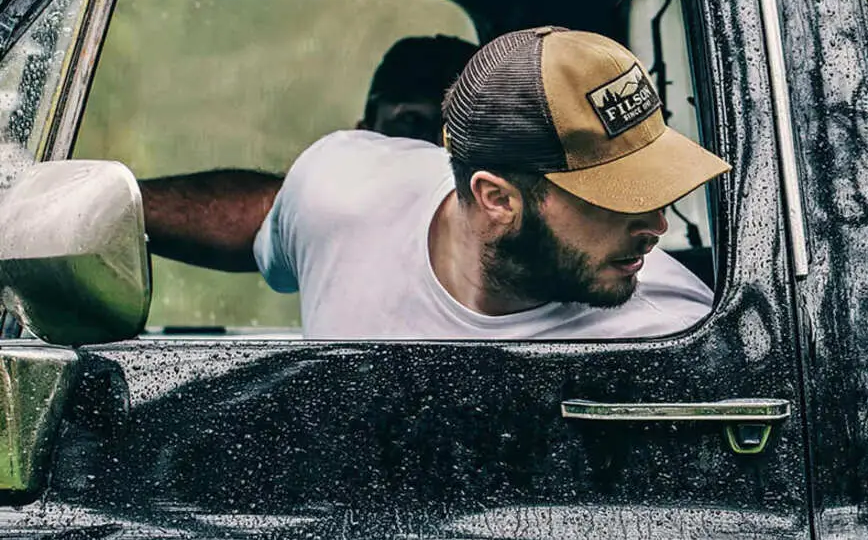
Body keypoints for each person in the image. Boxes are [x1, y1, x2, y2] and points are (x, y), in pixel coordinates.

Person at [252, 26, 731, 339]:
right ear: (497, 199)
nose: (657, 224)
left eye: (657, 188)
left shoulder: (671, 331)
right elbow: (273, 257)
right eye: (615, 198)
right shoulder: (334, 188)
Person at [140, 33, 476, 270]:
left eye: (463, 131)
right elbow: (276, 217)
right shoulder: (328, 203)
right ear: (363, 138)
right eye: (411, 126)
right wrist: (105, 206)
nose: (437, 151)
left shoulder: (515, 220)